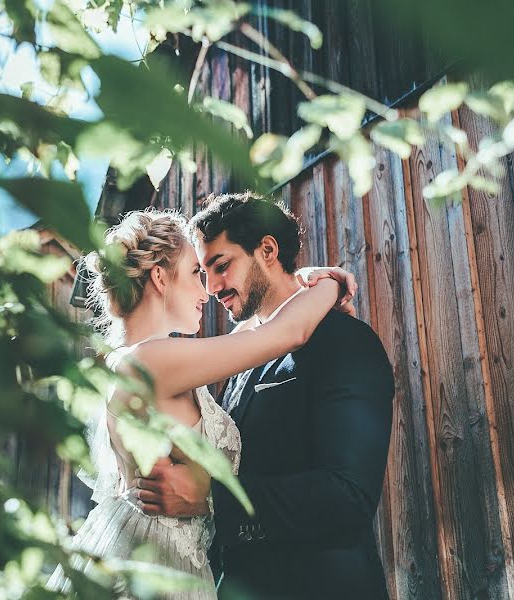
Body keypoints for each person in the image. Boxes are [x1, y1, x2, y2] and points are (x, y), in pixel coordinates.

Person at [46, 207, 355, 598]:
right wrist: (332, 283)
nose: (206, 290)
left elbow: (258, 328)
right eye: (196, 272)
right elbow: (285, 333)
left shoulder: (130, 360)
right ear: (159, 277)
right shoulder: (151, 362)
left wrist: (296, 283)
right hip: (155, 571)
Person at [135, 193, 394, 599]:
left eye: (221, 266)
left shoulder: (344, 341)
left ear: (268, 250)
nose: (213, 286)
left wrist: (212, 498)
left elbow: (346, 501)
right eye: (203, 273)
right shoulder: (237, 361)